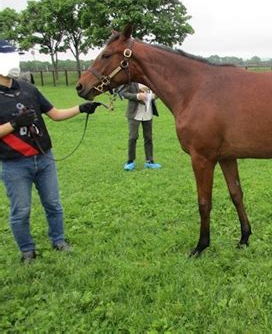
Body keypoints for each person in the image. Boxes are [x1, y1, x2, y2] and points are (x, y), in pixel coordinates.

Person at [0, 39, 101, 263]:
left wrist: (81, 108)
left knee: (53, 204)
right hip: (15, 164)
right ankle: (27, 250)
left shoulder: (28, 88)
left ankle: (59, 241)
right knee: (21, 210)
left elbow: (54, 114)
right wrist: (15, 124)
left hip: (44, 158)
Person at [118, 82, 161, 171]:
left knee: (148, 137)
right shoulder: (131, 81)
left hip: (148, 113)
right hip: (134, 114)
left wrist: (154, 96)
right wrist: (137, 96)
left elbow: (157, 93)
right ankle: (130, 162)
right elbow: (123, 93)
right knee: (133, 137)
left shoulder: (149, 79)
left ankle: (149, 161)